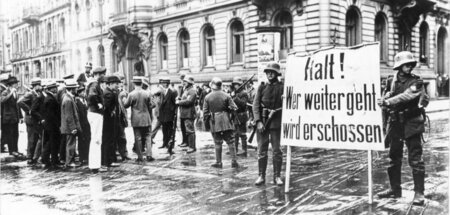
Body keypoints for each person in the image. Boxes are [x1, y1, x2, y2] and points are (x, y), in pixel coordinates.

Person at [377, 51, 429, 206]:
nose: (409, 67)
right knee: (394, 158)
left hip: (412, 123)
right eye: (407, 64)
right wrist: (385, 98)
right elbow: (389, 94)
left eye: (411, 64)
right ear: (399, 66)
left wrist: (388, 102)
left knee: (415, 159)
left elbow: (406, 96)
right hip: (395, 124)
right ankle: (395, 189)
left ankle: (419, 193)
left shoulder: (416, 82)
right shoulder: (391, 80)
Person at [253, 62, 284, 186]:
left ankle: (277, 176)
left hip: (276, 124)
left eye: (272, 72)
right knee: (262, 151)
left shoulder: (283, 87)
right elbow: (255, 106)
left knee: (277, 151)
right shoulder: (262, 87)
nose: (270, 74)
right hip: (263, 124)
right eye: (268, 72)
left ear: (276, 73)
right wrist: (258, 121)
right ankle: (261, 175)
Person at [203, 77, 239, 168]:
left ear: (212, 86)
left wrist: (206, 125)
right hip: (226, 120)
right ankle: (234, 161)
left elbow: (205, 113)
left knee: (217, 142)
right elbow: (234, 108)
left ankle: (218, 162)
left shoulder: (207, 97)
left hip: (215, 121)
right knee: (231, 141)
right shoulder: (227, 95)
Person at [123, 77, 154, 162]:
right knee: (148, 136)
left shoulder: (131, 94)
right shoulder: (147, 93)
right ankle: (149, 155)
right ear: (141, 84)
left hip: (136, 119)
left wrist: (124, 99)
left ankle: (140, 157)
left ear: (134, 84)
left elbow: (126, 105)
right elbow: (152, 105)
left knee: (138, 138)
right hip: (146, 118)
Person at [35, 82, 62, 168]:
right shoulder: (50, 99)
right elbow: (52, 115)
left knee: (50, 143)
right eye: (55, 87)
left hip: (49, 125)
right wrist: (58, 124)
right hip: (52, 125)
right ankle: (52, 161)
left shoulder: (49, 97)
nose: (56, 89)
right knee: (52, 143)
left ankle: (49, 160)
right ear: (51, 89)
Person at [18, 78, 42, 164]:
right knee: (31, 139)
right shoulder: (30, 94)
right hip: (30, 119)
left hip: (35, 119)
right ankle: (29, 157)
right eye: (38, 85)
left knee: (35, 137)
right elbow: (20, 102)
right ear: (35, 86)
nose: (40, 86)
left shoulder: (37, 94)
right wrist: (29, 110)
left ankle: (33, 157)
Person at [87, 67, 106, 173]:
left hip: (93, 113)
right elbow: (92, 96)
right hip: (95, 113)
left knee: (96, 139)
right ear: (98, 74)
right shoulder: (94, 84)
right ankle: (95, 166)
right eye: (103, 74)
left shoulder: (92, 83)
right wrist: (99, 104)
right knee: (96, 139)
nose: (104, 76)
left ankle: (96, 164)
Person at [0, 76, 24, 158]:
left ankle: (15, 150)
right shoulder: (5, 92)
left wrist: (20, 117)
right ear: (11, 85)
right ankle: (11, 151)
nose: (17, 85)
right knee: (9, 135)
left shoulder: (16, 93)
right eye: (15, 84)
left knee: (15, 134)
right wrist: (10, 93)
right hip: (8, 118)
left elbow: (17, 105)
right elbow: (2, 100)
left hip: (15, 118)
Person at [60, 80, 82, 168]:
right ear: (72, 89)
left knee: (71, 143)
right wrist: (73, 128)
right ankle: (69, 162)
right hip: (69, 127)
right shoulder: (68, 99)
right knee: (70, 144)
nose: (77, 89)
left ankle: (70, 160)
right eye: (75, 88)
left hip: (68, 126)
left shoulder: (67, 97)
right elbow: (69, 116)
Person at [102, 75, 122, 168]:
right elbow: (107, 108)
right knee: (108, 140)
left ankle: (109, 160)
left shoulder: (109, 92)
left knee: (110, 140)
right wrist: (112, 112)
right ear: (110, 84)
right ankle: (107, 161)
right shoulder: (108, 93)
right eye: (116, 84)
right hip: (108, 121)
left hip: (110, 120)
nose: (117, 85)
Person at [176, 76, 197, 153]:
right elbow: (184, 99)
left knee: (190, 130)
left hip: (189, 113)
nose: (184, 83)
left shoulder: (192, 91)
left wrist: (179, 102)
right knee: (187, 130)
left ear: (190, 83)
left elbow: (189, 101)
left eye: (185, 81)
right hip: (184, 113)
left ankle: (192, 147)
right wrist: (179, 99)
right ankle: (189, 145)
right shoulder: (186, 90)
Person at [157, 79, 178, 155]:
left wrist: (174, 112)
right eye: (162, 83)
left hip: (169, 114)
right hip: (163, 114)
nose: (162, 85)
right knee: (164, 129)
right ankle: (164, 143)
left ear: (167, 84)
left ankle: (170, 145)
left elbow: (175, 103)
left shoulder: (172, 92)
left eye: (164, 83)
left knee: (170, 130)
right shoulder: (162, 92)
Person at [231, 77, 249, 157]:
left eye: (237, 85)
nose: (235, 86)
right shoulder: (236, 92)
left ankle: (244, 150)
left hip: (242, 115)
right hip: (236, 115)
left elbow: (243, 104)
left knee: (242, 133)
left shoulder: (244, 93)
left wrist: (235, 97)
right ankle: (235, 149)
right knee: (235, 134)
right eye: (234, 85)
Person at [74, 85, 91, 165]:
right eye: (82, 92)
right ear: (79, 93)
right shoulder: (77, 102)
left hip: (87, 123)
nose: (84, 93)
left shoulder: (85, 100)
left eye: (84, 92)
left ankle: (87, 156)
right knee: (81, 140)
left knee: (87, 139)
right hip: (82, 123)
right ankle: (82, 157)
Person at [117, 76, 130, 161]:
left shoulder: (123, 92)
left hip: (121, 117)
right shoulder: (115, 92)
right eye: (120, 82)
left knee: (122, 136)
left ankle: (124, 154)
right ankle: (118, 152)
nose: (121, 83)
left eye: (122, 82)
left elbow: (125, 105)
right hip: (115, 117)